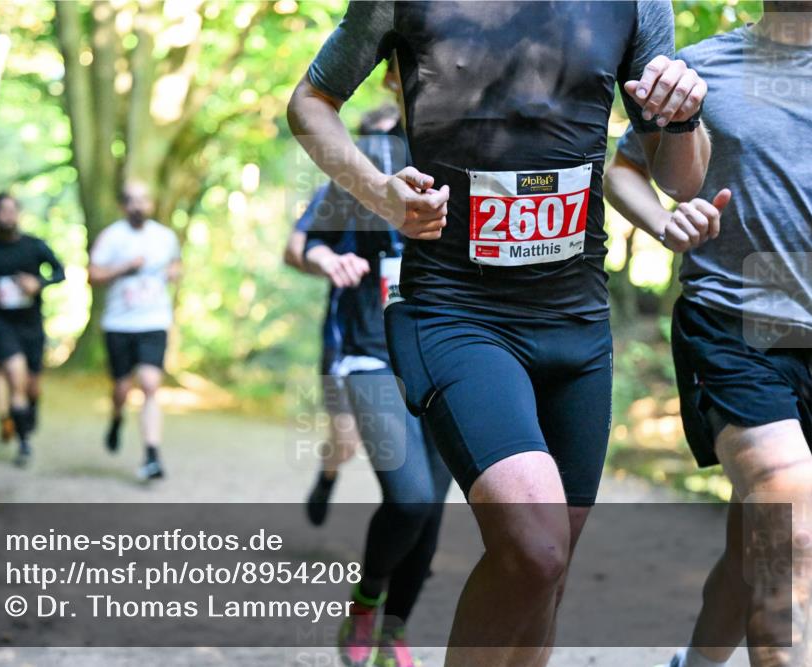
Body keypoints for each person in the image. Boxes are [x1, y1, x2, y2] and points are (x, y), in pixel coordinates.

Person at [288, 2, 711, 665]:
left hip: (576, 323)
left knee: (548, 574)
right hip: (456, 312)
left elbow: (682, 177)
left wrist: (683, 115)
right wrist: (379, 193)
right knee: (536, 547)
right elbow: (310, 103)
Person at [603, 4, 812, 665]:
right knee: (788, 504)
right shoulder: (698, 69)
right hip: (736, 326)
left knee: (757, 544)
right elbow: (624, 168)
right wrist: (664, 222)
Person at [303, 112, 451, 667]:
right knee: (409, 498)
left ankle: (394, 631)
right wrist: (329, 258)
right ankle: (365, 603)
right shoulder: (361, 170)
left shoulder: (468, 160)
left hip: (448, 357)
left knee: (432, 512)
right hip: (369, 353)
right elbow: (307, 244)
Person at [89, 182, 182, 482]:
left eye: (143, 200)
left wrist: (174, 272)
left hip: (154, 322)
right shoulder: (112, 237)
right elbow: (93, 275)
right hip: (119, 325)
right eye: (132, 201)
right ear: (123, 206)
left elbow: (177, 265)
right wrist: (124, 267)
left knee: (150, 383)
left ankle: (152, 455)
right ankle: (117, 418)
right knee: (121, 388)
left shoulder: (165, 237)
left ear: (151, 204)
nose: (138, 206)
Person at [284, 182, 364, 526]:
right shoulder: (342, 188)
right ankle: (327, 474)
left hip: (411, 335)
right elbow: (294, 250)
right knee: (347, 441)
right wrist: (328, 261)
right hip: (346, 336)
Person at [0, 193, 65, 466]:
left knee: (32, 384)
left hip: (31, 324)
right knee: (13, 373)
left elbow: (60, 271)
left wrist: (39, 283)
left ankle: (27, 411)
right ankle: (23, 443)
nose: (8, 216)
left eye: (12, 210)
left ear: (18, 214)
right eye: (2, 211)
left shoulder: (34, 246)